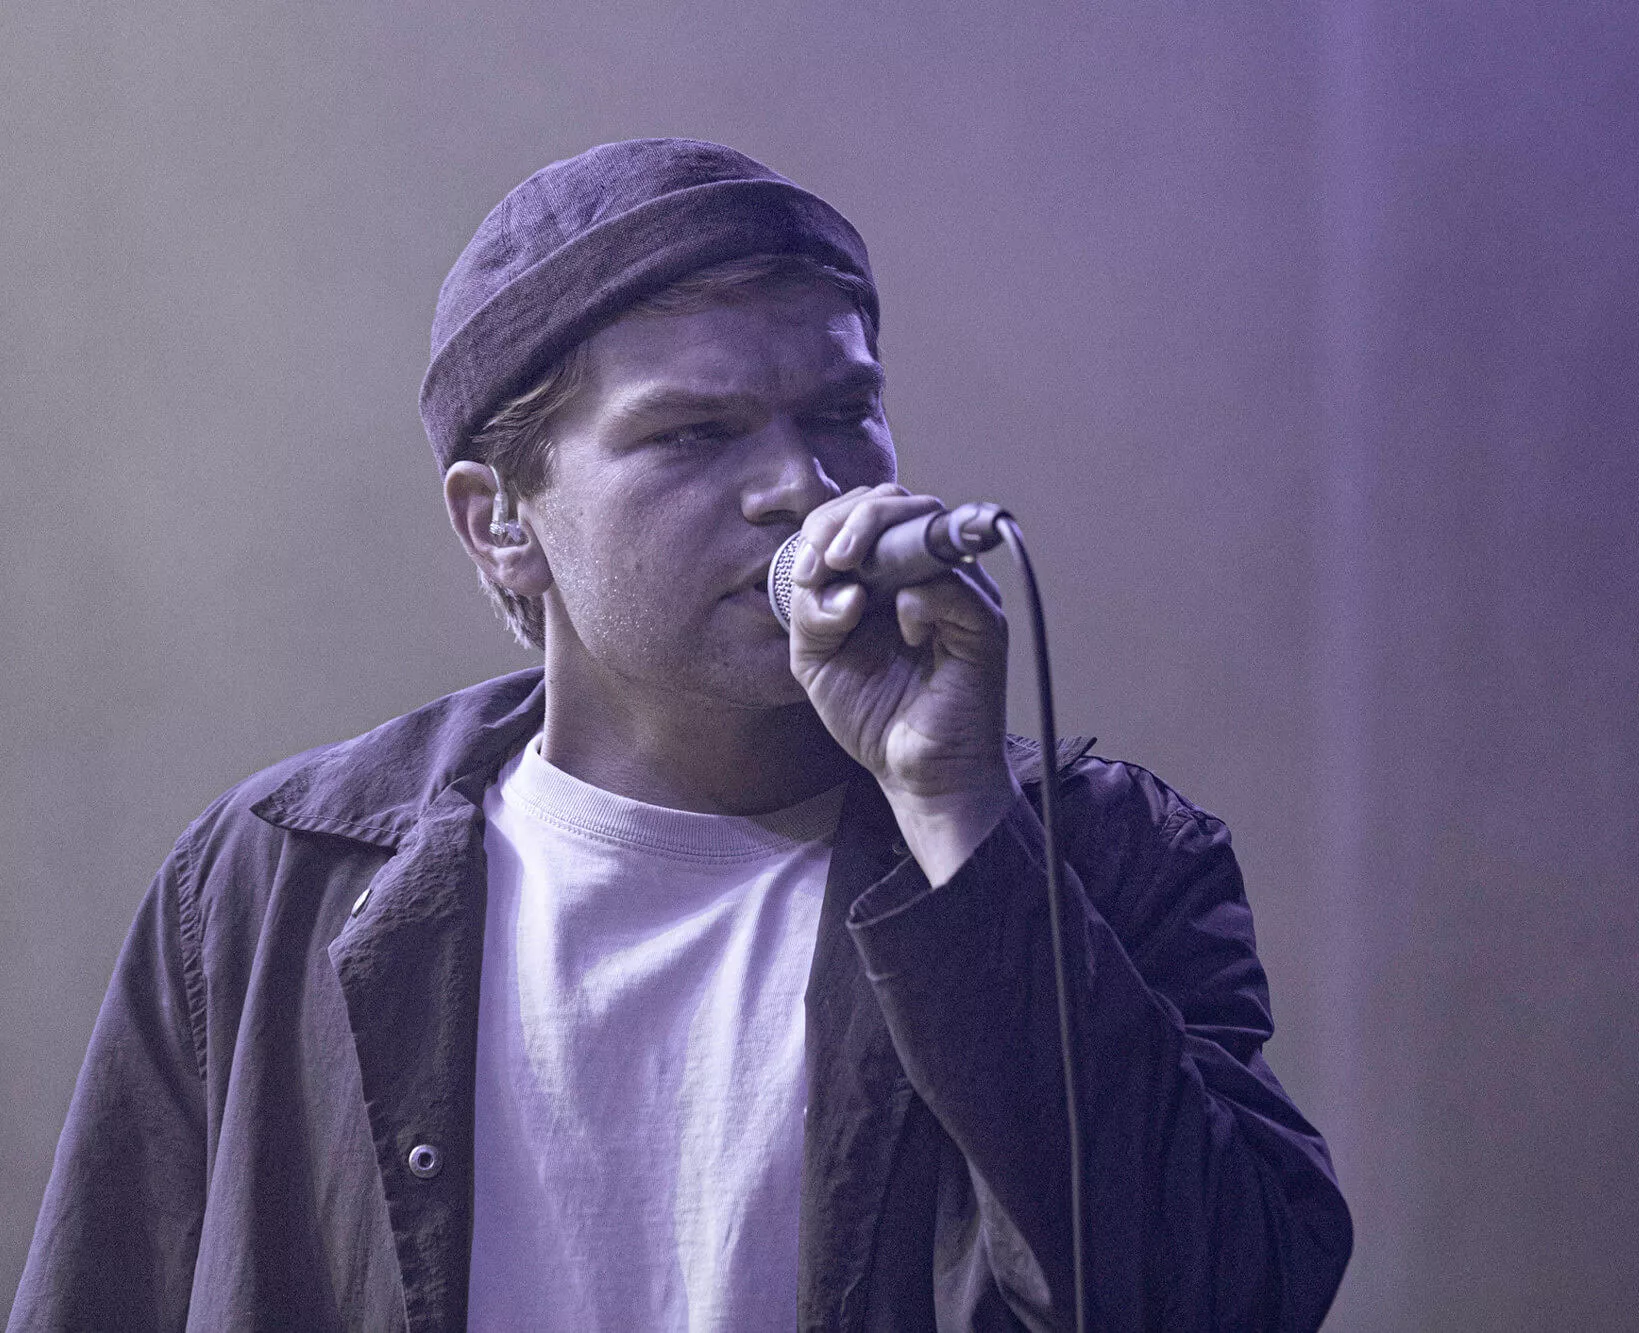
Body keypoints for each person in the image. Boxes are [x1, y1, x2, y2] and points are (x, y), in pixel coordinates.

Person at [8, 139, 1351, 1332]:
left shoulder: (1098, 857)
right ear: (500, 521)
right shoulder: (270, 881)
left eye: (841, 414)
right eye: (695, 434)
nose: (802, 486)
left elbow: (1222, 1299)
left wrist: (957, 818)